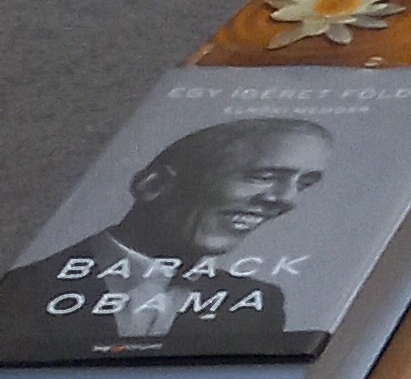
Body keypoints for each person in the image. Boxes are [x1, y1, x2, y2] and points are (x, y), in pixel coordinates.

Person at [0, 110, 332, 350]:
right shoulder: (21, 291)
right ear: (154, 183)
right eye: (263, 176)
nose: (286, 200)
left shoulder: (258, 303)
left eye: (303, 184)